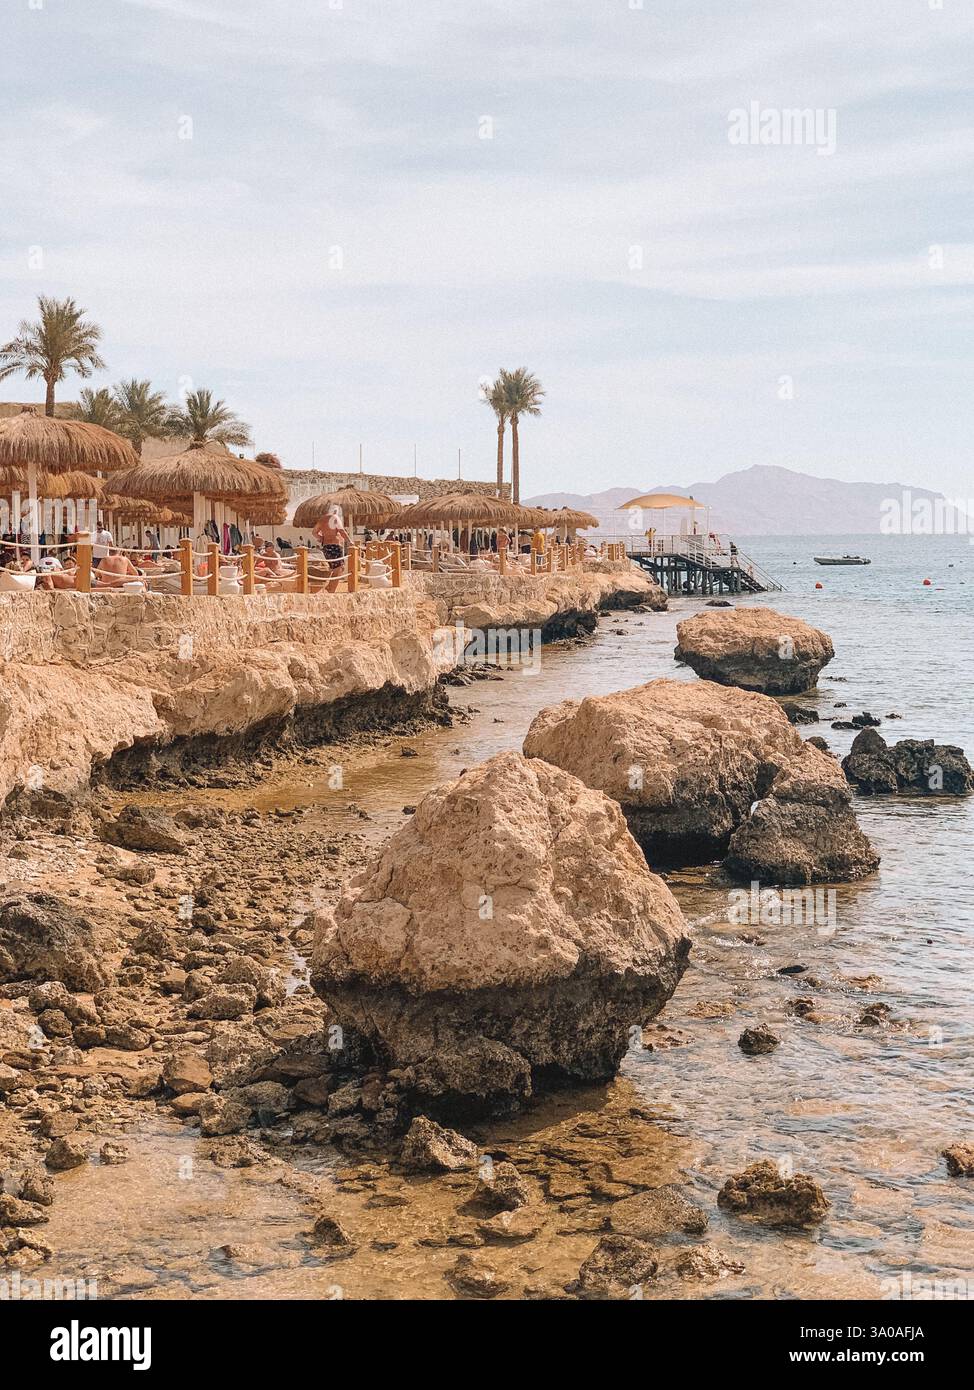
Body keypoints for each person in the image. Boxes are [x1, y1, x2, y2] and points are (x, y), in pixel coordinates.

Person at [313, 504, 350, 593]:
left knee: (334, 568)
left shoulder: (322, 520)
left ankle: (330, 587)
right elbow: (342, 531)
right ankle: (331, 589)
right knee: (340, 568)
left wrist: (321, 538)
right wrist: (349, 541)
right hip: (335, 546)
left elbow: (314, 532)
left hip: (326, 546)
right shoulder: (335, 518)